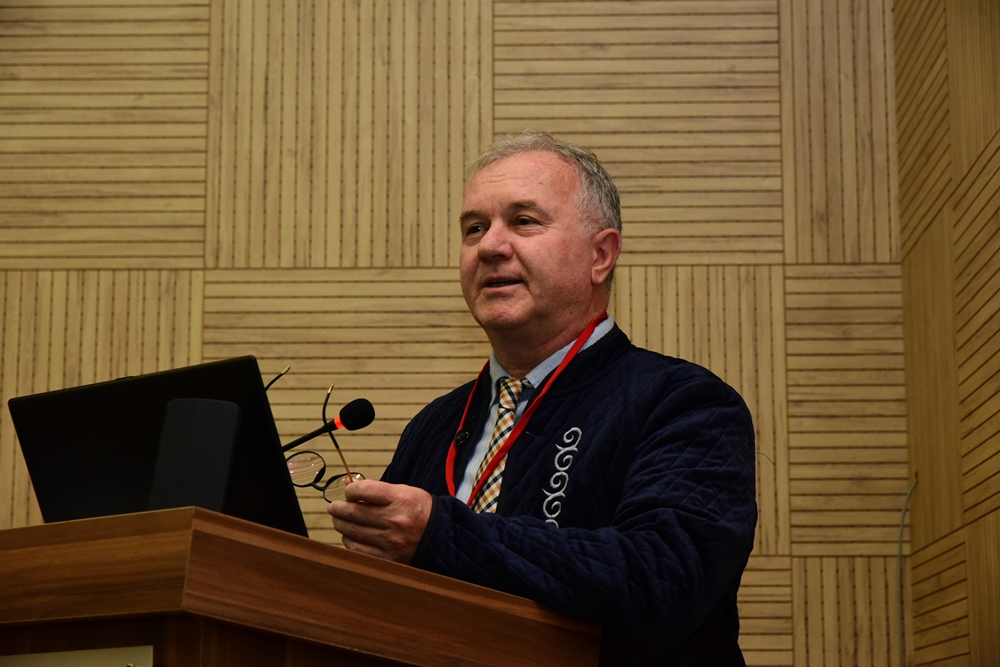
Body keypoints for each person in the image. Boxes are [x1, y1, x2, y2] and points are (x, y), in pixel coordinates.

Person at [327, 131, 757, 666]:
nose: (490, 246)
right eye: (474, 228)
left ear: (601, 255)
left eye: (524, 221)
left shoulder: (687, 404)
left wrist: (441, 534)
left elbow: (659, 581)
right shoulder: (434, 425)